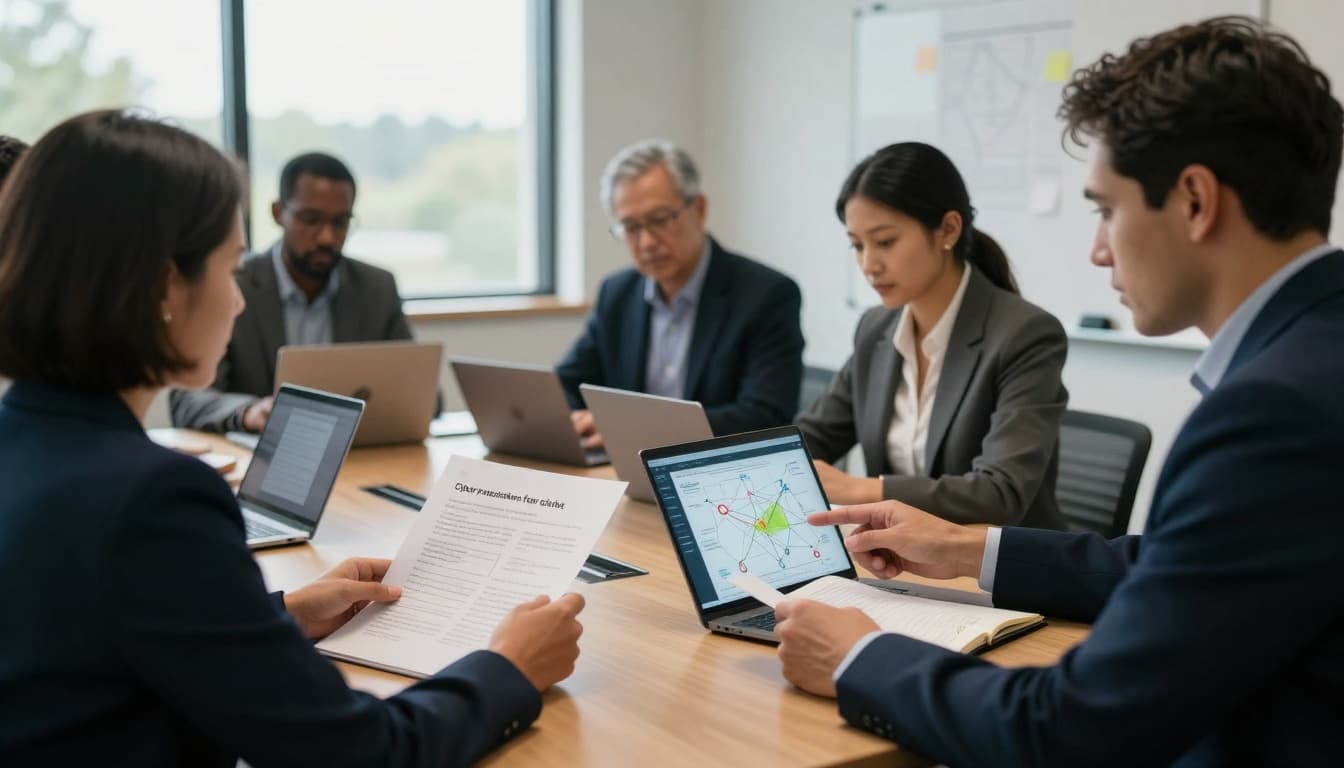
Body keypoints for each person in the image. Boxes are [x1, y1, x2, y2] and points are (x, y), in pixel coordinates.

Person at [771, 16, 1344, 767]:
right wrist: (960, 545)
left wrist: (860, 660)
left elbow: (1073, 729)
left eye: (1106, 209)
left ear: (1197, 201)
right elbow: (1169, 562)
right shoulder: (1315, 356)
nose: (1097, 248)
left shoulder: (1275, 411)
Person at [0, 110, 586, 766]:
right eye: (228, 269)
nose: (240, 300)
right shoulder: (152, 498)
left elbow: (108, 640)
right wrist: (508, 666)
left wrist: (278, 617)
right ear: (166, 284)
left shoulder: (22, 438)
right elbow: (360, 753)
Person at [796, 142, 1068, 528]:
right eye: (857, 245)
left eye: (885, 242)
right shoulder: (876, 329)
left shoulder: (1025, 335)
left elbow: (1000, 493)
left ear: (948, 230)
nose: (869, 265)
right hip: (904, 566)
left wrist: (863, 491)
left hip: (999, 574)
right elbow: (811, 437)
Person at [556, 140, 804, 448]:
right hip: (622, 469)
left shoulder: (766, 295)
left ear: (699, 209)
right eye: (630, 227)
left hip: (716, 472)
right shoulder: (617, 293)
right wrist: (574, 420)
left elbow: (766, 416)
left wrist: (633, 428)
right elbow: (566, 383)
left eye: (659, 220)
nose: (646, 242)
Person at [169, 152, 416, 433]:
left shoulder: (376, 289)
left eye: (340, 222)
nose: (327, 237)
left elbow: (422, 398)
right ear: (278, 213)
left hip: (360, 455)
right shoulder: (233, 284)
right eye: (311, 219)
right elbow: (187, 400)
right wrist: (249, 412)